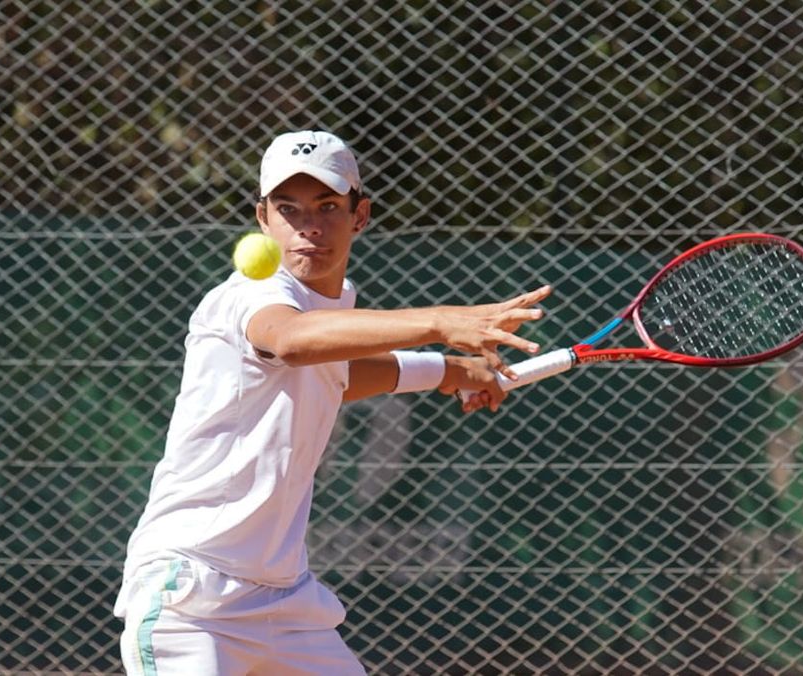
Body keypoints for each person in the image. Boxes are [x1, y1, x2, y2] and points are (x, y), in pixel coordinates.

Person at [113, 129, 551, 675]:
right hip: (191, 596)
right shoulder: (252, 295)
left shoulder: (332, 309)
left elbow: (335, 374)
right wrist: (441, 324)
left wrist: (450, 371)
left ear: (359, 215)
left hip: (285, 601)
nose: (309, 227)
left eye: (327, 206)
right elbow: (295, 343)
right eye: (288, 208)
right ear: (262, 219)